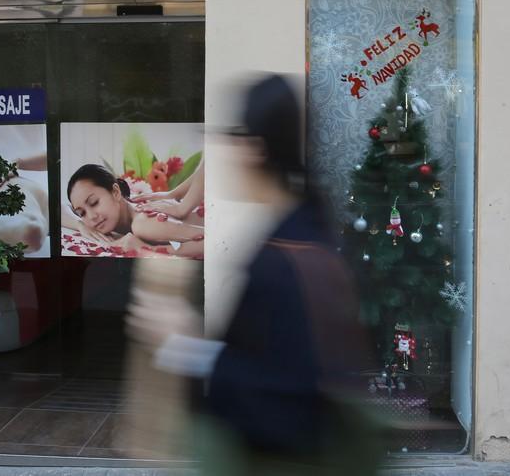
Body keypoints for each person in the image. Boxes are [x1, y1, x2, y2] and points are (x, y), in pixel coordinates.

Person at [127, 74, 381, 475]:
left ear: (254, 149)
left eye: (229, 137)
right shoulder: (305, 231)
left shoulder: (284, 259)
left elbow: (282, 395)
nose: (220, 155)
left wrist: (184, 345)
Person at [65, 163, 205, 259]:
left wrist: (146, 249)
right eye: (81, 213)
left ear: (115, 192)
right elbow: (57, 207)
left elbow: (212, 241)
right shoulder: (136, 208)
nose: (91, 217)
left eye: (94, 203)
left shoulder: (142, 224)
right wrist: (80, 225)